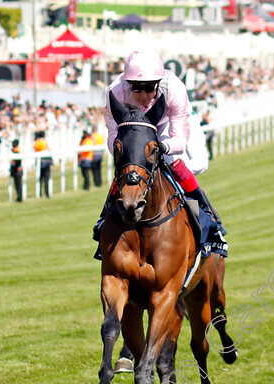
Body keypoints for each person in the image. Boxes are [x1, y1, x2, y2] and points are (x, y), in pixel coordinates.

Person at [94, 49, 227, 254]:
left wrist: (163, 147)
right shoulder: (115, 92)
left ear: (158, 82)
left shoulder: (173, 88)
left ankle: (210, 217)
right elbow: (113, 134)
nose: (143, 94)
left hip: (169, 120)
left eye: (148, 88)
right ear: (128, 84)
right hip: (137, 125)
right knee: (129, 163)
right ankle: (104, 218)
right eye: (137, 88)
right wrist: (124, 152)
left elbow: (179, 139)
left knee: (186, 161)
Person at [34, 130, 52, 198]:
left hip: (39, 161)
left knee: (40, 178)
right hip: (46, 161)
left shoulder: (36, 142)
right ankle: (47, 193)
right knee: (46, 178)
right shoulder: (44, 142)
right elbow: (48, 150)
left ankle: (39, 193)